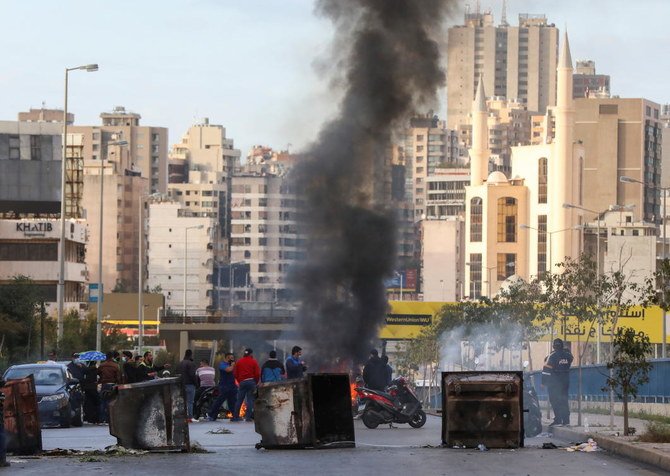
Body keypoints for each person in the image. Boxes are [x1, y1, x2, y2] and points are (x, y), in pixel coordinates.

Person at [542, 338, 574, 427]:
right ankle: (566, 420)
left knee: (555, 400)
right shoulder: (568, 355)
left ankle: (558, 419)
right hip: (565, 381)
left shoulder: (552, 356)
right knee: (564, 400)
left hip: (554, 383)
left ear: (553, 346)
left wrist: (543, 382)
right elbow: (571, 357)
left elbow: (546, 370)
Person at [207, 353, 237, 422]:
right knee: (219, 401)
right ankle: (212, 415)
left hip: (232, 386)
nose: (233, 359)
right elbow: (228, 370)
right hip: (224, 386)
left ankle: (235, 416)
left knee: (232, 402)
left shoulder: (231, 365)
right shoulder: (222, 364)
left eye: (233, 358)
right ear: (227, 358)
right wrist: (232, 366)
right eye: (231, 358)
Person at [233, 348, 260, 422]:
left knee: (239, 400)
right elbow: (257, 374)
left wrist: (240, 381)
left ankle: (235, 417)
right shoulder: (253, 361)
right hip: (251, 382)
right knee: (250, 400)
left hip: (242, 382)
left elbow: (235, 374)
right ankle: (248, 418)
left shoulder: (239, 362)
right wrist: (255, 382)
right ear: (251, 354)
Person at [98, 351, 122, 423]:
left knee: (103, 402)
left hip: (104, 384)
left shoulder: (102, 365)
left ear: (106, 357)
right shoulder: (116, 365)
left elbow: (98, 373)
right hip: (113, 385)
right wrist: (119, 384)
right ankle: (110, 419)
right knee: (112, 402)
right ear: (112, 357)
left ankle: (102, 419)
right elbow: (118, 377)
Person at [178, 349, 198, 420]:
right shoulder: (191, 363)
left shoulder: (180, 363)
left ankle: (182, 417)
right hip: (190, 385)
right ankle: (190, 417)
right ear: (191, 355)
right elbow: (193, 375)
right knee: (190, 402)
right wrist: (196, 384)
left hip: (181, 385)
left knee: (182, 402)